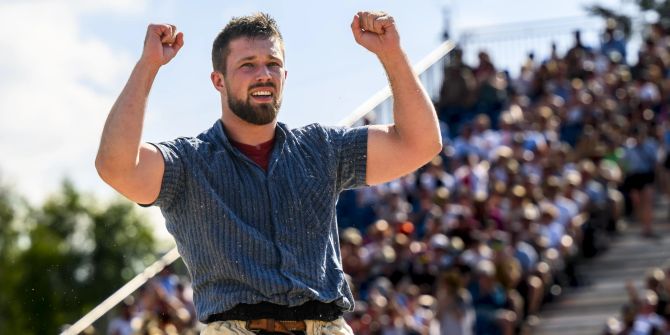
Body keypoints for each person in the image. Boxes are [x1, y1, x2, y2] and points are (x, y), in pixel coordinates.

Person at [95, 11, 442, 335]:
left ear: (285, 76)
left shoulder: (321, 148)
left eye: (273, 64)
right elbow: (116, 166)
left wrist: (391, 54)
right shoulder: (189, 162)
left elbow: (420, 143)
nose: (264, 74)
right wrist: (148, 66)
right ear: (218, 80)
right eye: (248, 65)